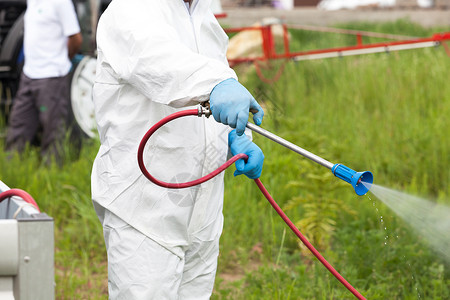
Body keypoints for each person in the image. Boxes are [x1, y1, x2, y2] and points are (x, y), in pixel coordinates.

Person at [91, 0, 265, 299]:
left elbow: (211, 94)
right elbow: (160, 61)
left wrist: (233, 139)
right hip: (144, 210)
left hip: (202, 213)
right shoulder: (130, 9)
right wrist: (219, 83)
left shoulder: (202, 15)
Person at [5, 0, 82, 163]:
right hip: (29, 75)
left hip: (51, 76)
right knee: (18, 125)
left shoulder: (61, 3)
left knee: (53, 131)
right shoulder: (32, 1)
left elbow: (76, 39)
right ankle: (11, 171)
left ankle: (52, 174)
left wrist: (61, 60)